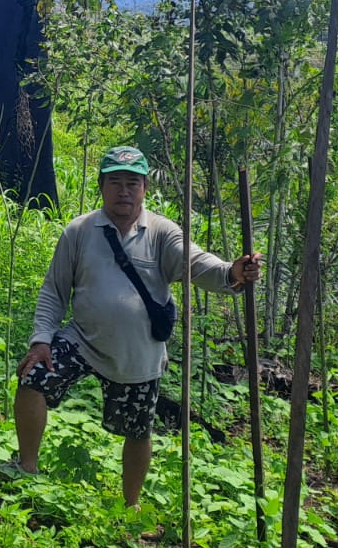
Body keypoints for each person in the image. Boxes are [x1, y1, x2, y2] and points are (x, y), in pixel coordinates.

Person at [15, 145, 262, 507]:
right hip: (83, 340)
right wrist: (41, 340)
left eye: (133, 183)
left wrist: (232, 271)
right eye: (115, 182)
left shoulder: (162, 232)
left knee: (137, 429)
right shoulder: (79, 231)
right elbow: (55, 290)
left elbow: (197, 263)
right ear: (101, 186)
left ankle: (130, 506)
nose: (124, 191)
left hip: (138, 353)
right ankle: (27, 468)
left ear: (145, 188)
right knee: (33, 378)